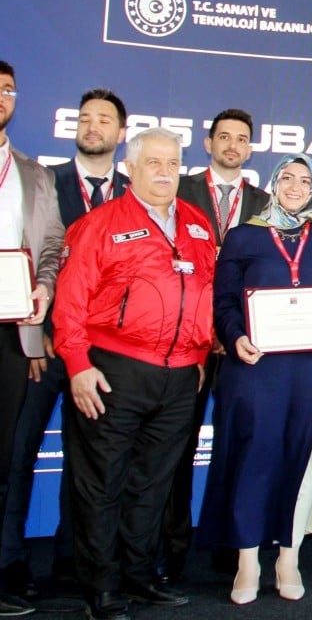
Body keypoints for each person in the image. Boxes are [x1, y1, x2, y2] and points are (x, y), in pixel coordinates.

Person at [53, 127, 215, 620]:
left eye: (172, 163)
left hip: (181, 377)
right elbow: (71, 302)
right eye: (154, 163)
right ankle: (101, 587)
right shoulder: (100, 224)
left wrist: (201, 359)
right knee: (102, 484)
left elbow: (206, 293)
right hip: (113, 372)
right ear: (130, 167)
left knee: (153, 485)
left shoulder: (197, 223)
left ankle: (139, 576)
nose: (165, 172)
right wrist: (78, 366)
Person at [197, 153, 312, 605]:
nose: (295, 185)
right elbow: (224, 301)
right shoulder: (243, 235)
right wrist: (236, 338)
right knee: (253, 458)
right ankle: (247, 561)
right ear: (272, 182)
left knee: (300, 461)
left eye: (304, 179)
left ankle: (289, 557)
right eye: (286, 176)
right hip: (254, 366)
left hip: (311, 368)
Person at [3, 89, 130, 603]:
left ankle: (74, 561)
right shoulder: (37, 179)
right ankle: (9, 562)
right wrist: (32, 337)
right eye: (85, 118)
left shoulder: (136, 192)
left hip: (105, 355)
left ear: (122, 134)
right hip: (40, 346)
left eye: (104, 120)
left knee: (91, 464)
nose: (93, 126)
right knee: (17, 455)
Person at [163, 108, 269, 585]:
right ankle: (171, 548)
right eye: (223, 137)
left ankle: (232, 546)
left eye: (241, 139)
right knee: (175, 447)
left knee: (239, 447)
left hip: (241, 344)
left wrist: (235, 331)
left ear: (250, 148)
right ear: (207, 144)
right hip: (182, 340)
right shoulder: (178, 190)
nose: (232, 145)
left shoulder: (267, 202)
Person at [0, 60, 64, 617]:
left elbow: (49, 249)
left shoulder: (33, 174)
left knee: (5, 458)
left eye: (8, 90)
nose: (1, 97)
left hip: (12, 335)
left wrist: (42, 292)